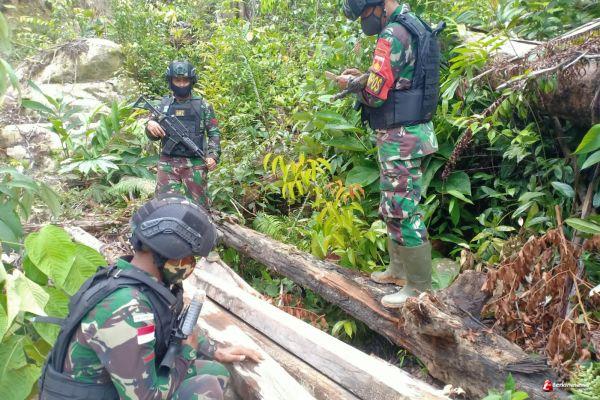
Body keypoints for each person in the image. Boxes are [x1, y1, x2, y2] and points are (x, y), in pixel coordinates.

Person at [38, 195, 262, 400]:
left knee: (216, 371)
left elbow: (171, 325)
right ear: (171, 255)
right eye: (189, 257)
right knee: (206, 389)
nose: (191, 264)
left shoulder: (137, 280)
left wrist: (214, 349)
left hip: (112, 387)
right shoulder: (127, 307)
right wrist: (187, 352)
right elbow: (147, 397)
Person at [340, 1, 443, 307]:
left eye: (364, 13)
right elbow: (400, 78)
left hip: (401, 138)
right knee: (393, 204)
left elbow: (374, 95)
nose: (364, 20)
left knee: (403, 208)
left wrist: (353, 85)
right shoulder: (412, 24)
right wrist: (365, 76)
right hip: (408, 133)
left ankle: (419, 288)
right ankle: (399, 271)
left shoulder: (392, 34)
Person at [146, 60, 221, 208]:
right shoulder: (163, 105)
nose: (181, 84)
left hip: (195, 164)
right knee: (163, 206)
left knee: (199, 209)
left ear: (191, 81)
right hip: (168, 163)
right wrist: (150, 125)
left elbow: (214, 133)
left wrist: (213, 156)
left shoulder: (203, 105)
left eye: (185, 80)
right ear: (171, 81)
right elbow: (152, 135)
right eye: (177, 80)